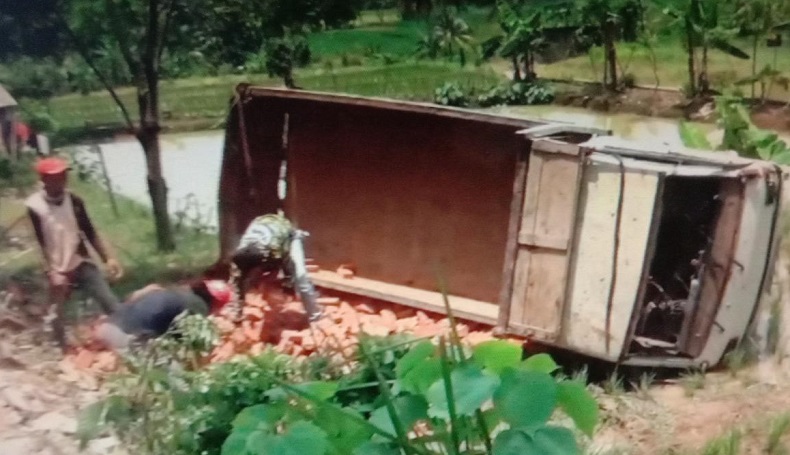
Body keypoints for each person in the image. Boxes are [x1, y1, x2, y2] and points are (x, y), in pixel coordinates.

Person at [25, 156, 124, 350]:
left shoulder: (75, 201)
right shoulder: (35, 207)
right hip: (56, 265)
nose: (61, 181)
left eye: (63, 176)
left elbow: (89, 231)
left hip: (79, 260)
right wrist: (51, 272)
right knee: (56, 313)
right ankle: (60, 349)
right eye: (55, 177)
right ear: (44, 179)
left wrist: (108, 258)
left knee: (109, 301)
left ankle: (126, 337)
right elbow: (38, 243)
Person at [225, 212, 322, 323]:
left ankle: (315, 316)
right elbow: (237, 286)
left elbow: (285, 265)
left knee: (300, 277)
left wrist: (288, 282)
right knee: (242, 282)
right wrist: (237, 313)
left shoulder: (273, 251)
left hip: (288, 237)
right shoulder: (240, 258)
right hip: (265, 233)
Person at [94, 279, 232, 351]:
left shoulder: (177, 293)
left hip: (107, 327)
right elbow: (191, 343)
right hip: (123, 337)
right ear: (216, 305)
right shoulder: (199, 306)